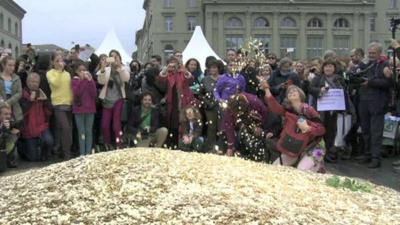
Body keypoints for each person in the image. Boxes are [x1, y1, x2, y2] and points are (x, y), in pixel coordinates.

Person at [261, 82, 326, 172]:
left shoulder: (309, 109)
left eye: (294, 90)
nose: (291, 92)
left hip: (314, 146)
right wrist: (267, 89)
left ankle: (317, 165)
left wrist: (308, 128)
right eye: (289, 92)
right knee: (275, 167)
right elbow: (275, 107)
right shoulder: (288, 110)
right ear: (287, 97)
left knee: (301, 170)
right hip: (295, 146)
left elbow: (322, 129)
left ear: (300, 94)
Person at [355, 42, 393, 168]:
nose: (371, 55)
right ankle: (367, 154)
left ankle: (376, 158)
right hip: (364, 101)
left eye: (373, 53)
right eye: (369, 53)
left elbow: (387, 83)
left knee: (376, 132)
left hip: (377, 102)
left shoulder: (385, 65)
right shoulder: (365, 65)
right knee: (365, 130)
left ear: (379, 53)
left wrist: (370, 82)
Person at [309, 60, 353, 163]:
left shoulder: (339, 79)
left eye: (330, 67)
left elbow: (345, 91)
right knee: (320, 132)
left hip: (334, 110)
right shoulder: (318, 78)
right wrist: (320, 91)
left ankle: (329, 153)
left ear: (334, 68)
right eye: (326, 67)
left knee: (332, 132)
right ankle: (318, 154)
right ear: (323, 68)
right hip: (320, 110)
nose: (328, 69)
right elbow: (310, 89)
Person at [156, 56, 196, 148]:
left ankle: (181, 144)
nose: (173, 66)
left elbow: (191, 80)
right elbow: (160, 79)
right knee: (171, 123)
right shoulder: (167, 74)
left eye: (175, 63)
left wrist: (184, 70)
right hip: (171, 102)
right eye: (171, 63)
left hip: (182, 101)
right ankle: (171, 143)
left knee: (182, 123)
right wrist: (166, 69)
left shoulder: (182, 73)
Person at [97, 50, 130, 149]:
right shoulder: (106, 69)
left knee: (116, 124)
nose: (114, 58)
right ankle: (108, 144)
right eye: (111, 56)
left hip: (118, 99)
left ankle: (119, 144)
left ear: (120, 58)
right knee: (105, 125)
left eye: (116, 56)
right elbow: (101, 81)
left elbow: (126, 79)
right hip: (107, 100)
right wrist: (103, 68)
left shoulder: (123, 68)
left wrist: (119, 66)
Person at [19, 72, 53, 161]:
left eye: (36, 82)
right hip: (28, 128)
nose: (34, 84)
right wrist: (30, 100)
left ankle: (44, 153)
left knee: (49, 141)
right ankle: (23, 150)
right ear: (27, 82)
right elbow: (21, 112)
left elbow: (50, 111)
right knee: (33, 158)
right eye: (32, 81)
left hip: (41, 126)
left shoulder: (41, 93)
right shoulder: (23, 94)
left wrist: (45, 100)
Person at [223, 92, 268, 159]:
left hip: (257, 121)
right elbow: (229, 126)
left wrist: (260, 126)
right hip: (241, 125)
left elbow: (265, 114)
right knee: (242, 134)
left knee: (256, 135)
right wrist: (230, 147)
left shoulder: (254, 101)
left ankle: (259, 156)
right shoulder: (230, 106)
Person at [46, 53, 73, 160]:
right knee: (65, 128)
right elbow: (56, 84)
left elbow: (70, 88)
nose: (60, 63)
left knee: (67, 130)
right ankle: (67, 153)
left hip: (68, 104)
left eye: (61, 60)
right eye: (57, 61)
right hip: (58, 105)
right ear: (52, 62)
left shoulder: (67, 74)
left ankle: (63, 150)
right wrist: (59, 71)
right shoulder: (50, 73)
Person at [72, 62, 97, 156]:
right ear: (76, 72)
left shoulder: (90, 80)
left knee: (88, 131)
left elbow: (94, 94)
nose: (82, 72)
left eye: (84, 70)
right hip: (79, 110)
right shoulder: (74, 81)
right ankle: (82, 153)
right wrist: (82, 80)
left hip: (90, 109)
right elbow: (77, 93)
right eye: (80, 70)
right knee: (81, 132)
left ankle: (88, 152)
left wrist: (90, 81)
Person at [199, 60, 221, 152]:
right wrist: (207, 102)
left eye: (215, 67)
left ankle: (221, 147)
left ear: (218, 68)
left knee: (221, 127)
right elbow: (200, 94)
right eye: (211, 67)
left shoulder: (223, 78)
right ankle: (210, 148)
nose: (213, 69)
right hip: (210, 107)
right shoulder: (205, 79)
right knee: (211, 127)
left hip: (221, 106)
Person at [0, 56, 23, 124]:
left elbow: (19, 93)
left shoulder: (17, 78)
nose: (12, 68)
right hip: (1, 104)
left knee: (13, 126)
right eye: (9, 65)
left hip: (14, 105)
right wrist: (3, 103)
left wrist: (8, 102)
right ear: (3, 65)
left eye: (13, 65)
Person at [0, 103, 19, 169]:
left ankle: (9, 160)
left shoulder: (9, 122)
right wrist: (3, 130)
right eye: (5, 114)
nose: (8, 116)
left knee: (13, 137)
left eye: (9, 114)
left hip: (2, 148)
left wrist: (14, 130)